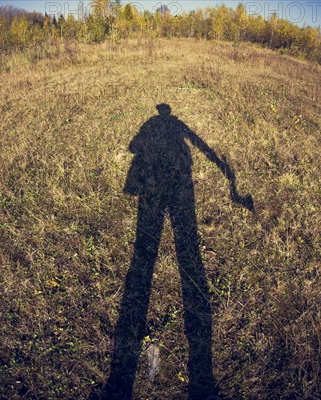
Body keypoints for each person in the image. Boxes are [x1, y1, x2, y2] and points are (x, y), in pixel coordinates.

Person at [102, 104, 253, 400]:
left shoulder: (154, 123)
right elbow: (197, 142)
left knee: (146, 254)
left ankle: (119, 387)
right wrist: (220, 165)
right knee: (187, 250)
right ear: (166, 111)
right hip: (179, 179)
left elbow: (134, 146)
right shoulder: (175, 123)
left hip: (161, 181)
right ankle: (202, 385)